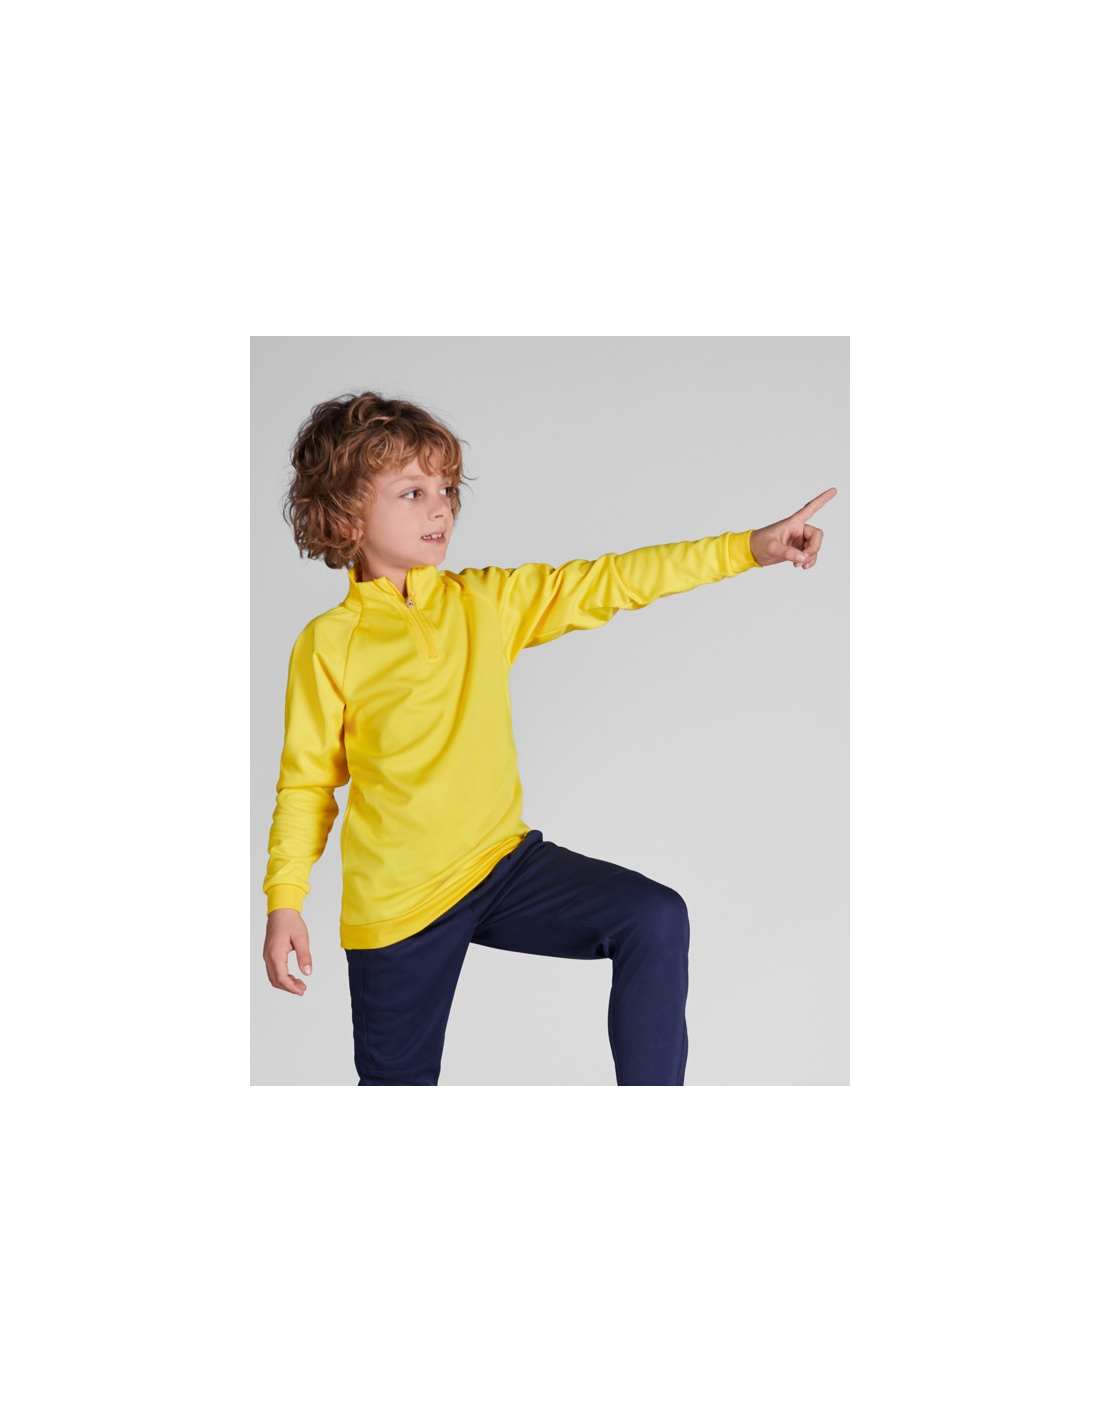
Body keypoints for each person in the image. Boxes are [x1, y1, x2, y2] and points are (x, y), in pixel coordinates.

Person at [261, 390, 835, 1085]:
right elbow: (307, 784)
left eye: (447, 489)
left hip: (501, 865)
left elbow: (612, 581)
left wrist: (749, 549)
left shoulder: (485, 604)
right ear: (348, 514)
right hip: (399, 905)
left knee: (654, 918)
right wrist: (285, 900)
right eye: (413, 492)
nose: (441, 508)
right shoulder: (330, 644)